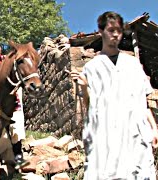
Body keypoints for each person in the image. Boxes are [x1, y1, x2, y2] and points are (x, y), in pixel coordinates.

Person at [67, 11, 158, 179]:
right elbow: (89, 108)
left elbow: (142, 102)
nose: (115, 34)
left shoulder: (133, 65)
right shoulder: (92, 68)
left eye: (118, 30)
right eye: (110, 30)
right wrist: (85, 88)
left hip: (137, 135)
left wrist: (154, 128)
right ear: (101, 32)